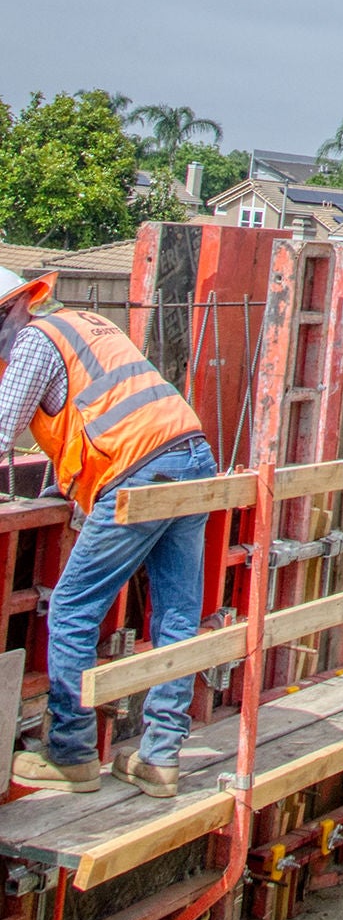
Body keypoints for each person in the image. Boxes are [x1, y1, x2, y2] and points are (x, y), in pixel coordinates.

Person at [0, 267, 217, 797]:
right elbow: (97, 411)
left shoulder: (31, 341)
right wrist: (74, 489)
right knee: (177, 614)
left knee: (73, 607)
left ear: (6, 312)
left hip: (138, 474)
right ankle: (160, 757)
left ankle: (71, 754)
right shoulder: (86, 322)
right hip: (191, 454)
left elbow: (3, 429)